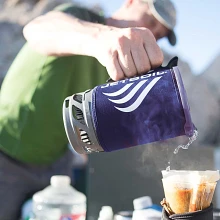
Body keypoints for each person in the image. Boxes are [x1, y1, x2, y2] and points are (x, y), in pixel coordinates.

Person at [0, 0, 176, 219]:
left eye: (158, 35)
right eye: (150, 21)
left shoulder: (117, 70)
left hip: (56, 165)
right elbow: (36, 30)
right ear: (131, 2)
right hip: (6, 150)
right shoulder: (82, 18)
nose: (151, 33)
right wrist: (103, 38)